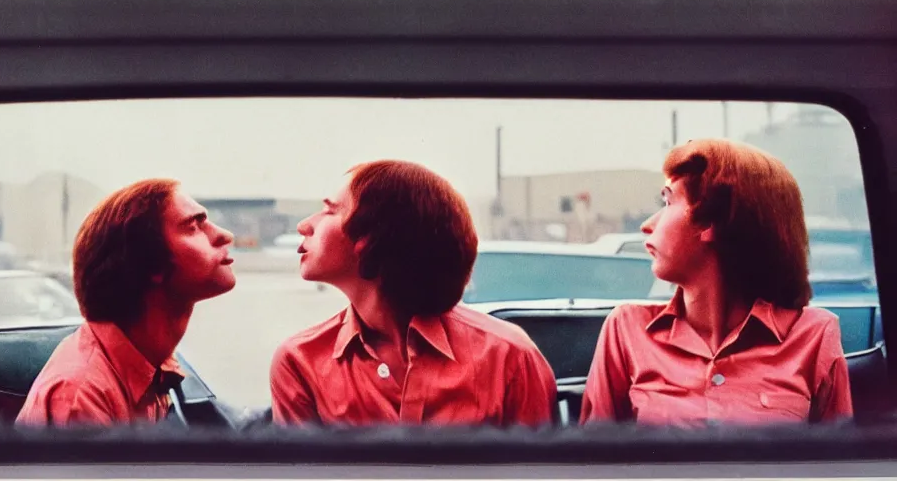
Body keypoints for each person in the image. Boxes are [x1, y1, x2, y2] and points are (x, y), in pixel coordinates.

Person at [579, 139, 853, 427]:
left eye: (668, 201)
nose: (647, 224)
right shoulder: (626, 328)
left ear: (712, 221)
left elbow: (840, 465)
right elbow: (592, 464)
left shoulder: (815, 335)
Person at [269, 160, 558, 427]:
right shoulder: (299, 362)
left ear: (372, 237)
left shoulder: (509, 357)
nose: (304, 225)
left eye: (330, 211)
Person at [16, 178, 236, 427]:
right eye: (193, 226)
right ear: (150, 262)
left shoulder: (150, 365)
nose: (224, 235)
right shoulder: (80, 396)